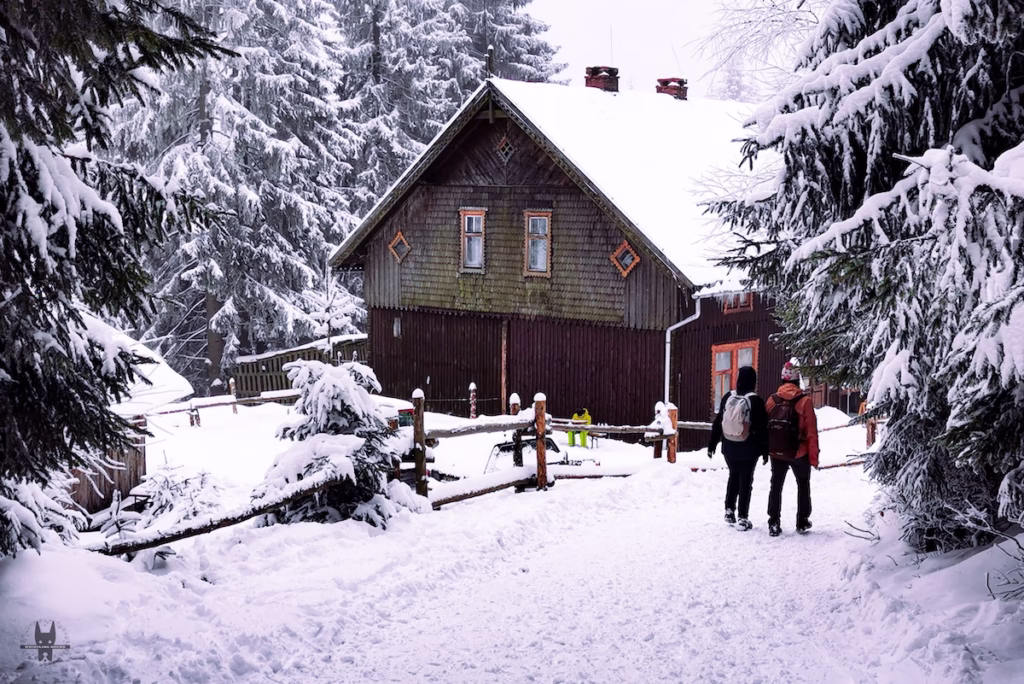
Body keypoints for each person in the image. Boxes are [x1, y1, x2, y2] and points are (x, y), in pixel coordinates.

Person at [708, 366, 768, 531]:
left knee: (733, 476)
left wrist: (712, 443)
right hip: (748, 448)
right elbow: (763, 428)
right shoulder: (755, 400)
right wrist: (765, 451)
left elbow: (718, 421)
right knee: (746, 481)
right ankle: (743, 517)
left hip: (729, 446)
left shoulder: (729, 396)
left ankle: (729, 510)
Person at [765, 361, 820, 537]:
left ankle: (774, 522)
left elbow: (766, 427)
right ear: (798, 381)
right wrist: (814, 458)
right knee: (803, 484)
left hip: (777, 451)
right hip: (799, 452)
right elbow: (811, 432)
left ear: (782, 379)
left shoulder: (772, 400)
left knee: (776, 485)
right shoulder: (805, 401)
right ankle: (802, 521)